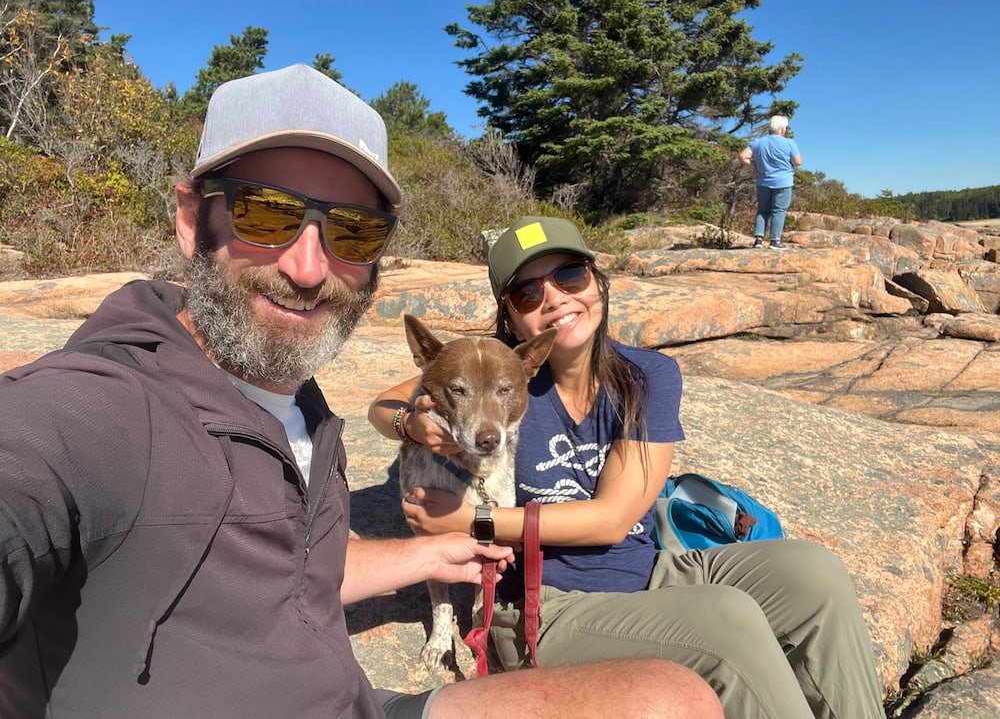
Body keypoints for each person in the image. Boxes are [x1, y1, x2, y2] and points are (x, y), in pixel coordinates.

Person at [0, 63, 723, 719]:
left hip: (360, 701)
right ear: (193, 220)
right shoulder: (92, 407)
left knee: (677, 701)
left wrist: (424, 554)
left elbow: (274, 566)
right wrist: (414, 425)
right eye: (266, 214)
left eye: (353, 230)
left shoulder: (308, 416)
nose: (310, 266)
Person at [369, 215, 886, 718]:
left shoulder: (647, 375)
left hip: (649, 571)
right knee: (730, 626)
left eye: (570, 274)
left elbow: (613, 519)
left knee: (816, 575)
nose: (554, 297)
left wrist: (473, 522)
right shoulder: (500, 372)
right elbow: (388, 405)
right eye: (528, 292)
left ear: (598, 281)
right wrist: (413, 425)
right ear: (511, 315)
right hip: (548, 601)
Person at [739, 114, 803, 250]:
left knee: (762, 210)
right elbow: (797, 162)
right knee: (779, 211)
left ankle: (758, 240)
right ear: (782, 130)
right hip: (783, 182)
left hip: (763, 181)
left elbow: (743, 156)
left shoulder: (758, 143)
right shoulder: (790, 143)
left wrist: (754, 167)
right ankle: (775, 241)